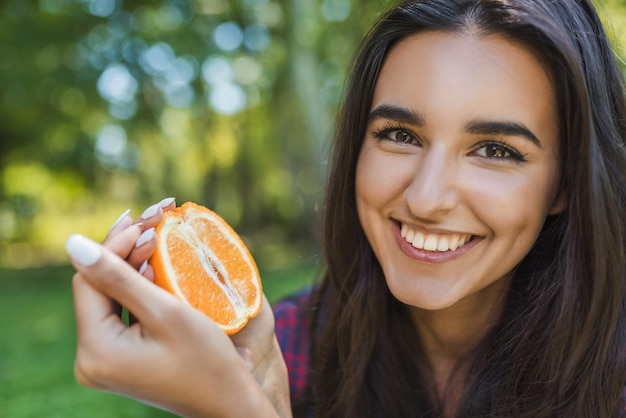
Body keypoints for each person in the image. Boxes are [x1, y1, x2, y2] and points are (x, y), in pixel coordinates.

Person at [65, 0, 626, 416]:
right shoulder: (281, 343)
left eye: (496, 150)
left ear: (567, 183)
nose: (426, 198)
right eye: (400, 134)